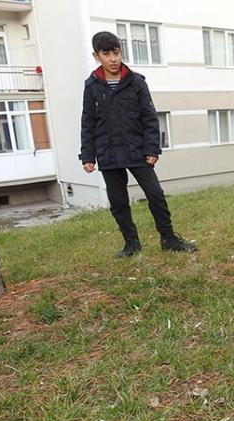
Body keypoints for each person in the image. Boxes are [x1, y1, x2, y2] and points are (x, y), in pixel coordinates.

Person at [80, 31, 196, 257]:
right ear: (97, 56)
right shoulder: (92, 86)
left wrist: (152, 148)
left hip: (137, 151)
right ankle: (131, 244)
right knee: (118, 202)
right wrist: (87, 155)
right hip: (108, 154)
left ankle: (169, 239)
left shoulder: (136, 82)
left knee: (156, 195)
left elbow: (150, 117)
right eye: (106, 54)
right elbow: (88, 122)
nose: (113, 59)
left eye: (116, 52)